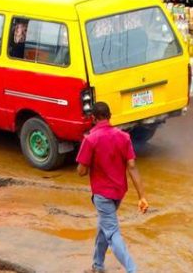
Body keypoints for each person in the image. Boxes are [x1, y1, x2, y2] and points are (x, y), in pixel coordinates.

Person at [76, 102, 149, 273]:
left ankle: (132, 269)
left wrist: (84, 162)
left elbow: (81, 171)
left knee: (112, 232)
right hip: (119, 193)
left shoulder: (90, 139)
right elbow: (132, 167)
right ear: (110, 115)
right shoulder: (124, 137)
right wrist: (142, 196)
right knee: (104, 227)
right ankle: (98, 265)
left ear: (93, 118)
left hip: (102, 194)